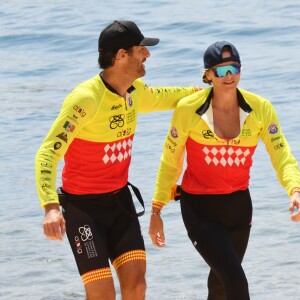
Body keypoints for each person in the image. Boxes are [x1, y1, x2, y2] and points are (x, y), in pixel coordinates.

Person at [35, 20, 200, 300]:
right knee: (102, 294)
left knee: (137, 287)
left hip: (119, 202)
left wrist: (208, 91)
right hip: (84, 209)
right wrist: (51, 207)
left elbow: (169, 96)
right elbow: (48, 152)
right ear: (121, 55)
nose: (147, 55)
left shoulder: (135, 93)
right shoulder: (86, 99)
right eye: (141, 50)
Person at [148, 41, 300, 300]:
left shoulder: (260, 108)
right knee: (235, 281)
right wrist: (157, 209)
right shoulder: (188, 109)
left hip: (239, 207)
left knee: (220, 283)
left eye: (234, 68)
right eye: (220, 70)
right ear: (207, 75)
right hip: (200, 209)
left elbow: (281, 154)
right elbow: (170, 160)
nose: (228, 76)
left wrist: (294, 189)